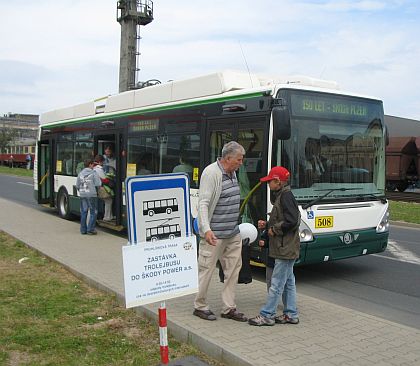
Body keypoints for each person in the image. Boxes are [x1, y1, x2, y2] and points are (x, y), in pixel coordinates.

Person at [193, 141, 248, 322]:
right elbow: (203, 203)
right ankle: (199, 306)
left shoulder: (232, 172)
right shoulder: (211, 173)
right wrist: (206, 229)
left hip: (232, 232)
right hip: (214, 235)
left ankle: (228, 308)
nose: (241, 163)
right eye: (239, 159)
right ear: (228, 158)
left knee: (233, 270)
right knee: (206, 270)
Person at [248, 166, 301, 326]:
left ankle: (267, 315)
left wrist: (273, 229)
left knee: (276, 283)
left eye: (270, 181)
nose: (268, 185)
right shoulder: (285, 195)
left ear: (278, 181)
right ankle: (291, 314)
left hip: (284, 248)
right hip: (287, 247)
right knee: (289, 281)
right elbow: (287, 218)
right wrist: (268, 223)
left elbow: (292, 221)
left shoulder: (285, 197)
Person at [75, 159, 101, 235]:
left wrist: (81, 191)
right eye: (93, 164)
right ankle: (90, 229)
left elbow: (77, 185)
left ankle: (83, 230)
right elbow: (98, 183)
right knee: (93, 212)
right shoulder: (93, 173)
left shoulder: (80, 173)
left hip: (83, 195)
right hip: (91, 195)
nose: (93, 166)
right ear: (90, 165)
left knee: (83, 212)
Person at [94, 155, 114, 221]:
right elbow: (104, 179)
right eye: (102, 161)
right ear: (100, 161)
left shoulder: (94, 168)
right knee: (108, 201)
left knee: (108, 201)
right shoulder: (99, 169)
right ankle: (107, 217)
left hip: (98, 187)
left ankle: (109, 216)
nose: (103, 163)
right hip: (102, 188)